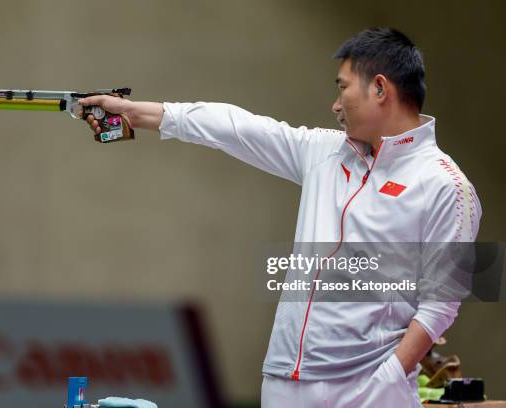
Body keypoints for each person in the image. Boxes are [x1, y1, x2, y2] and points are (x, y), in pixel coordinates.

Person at [78, 28, 481, 407]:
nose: (335, 105)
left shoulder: (446, 185)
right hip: (283, 386)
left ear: (380, 88)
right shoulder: (324, 152)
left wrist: (386, 380)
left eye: (342, 88)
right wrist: (136, 113)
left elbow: (440, 304)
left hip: (370, 390)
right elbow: (237, 128)